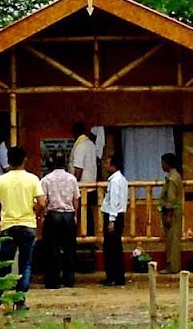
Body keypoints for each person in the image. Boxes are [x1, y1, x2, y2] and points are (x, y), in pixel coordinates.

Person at [0, 147, 46, 310]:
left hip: (8, 225)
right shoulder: (32, 179)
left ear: (8, 160)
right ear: (24, 160)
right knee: (25, 263)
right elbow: (42, 202)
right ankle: (20, 300)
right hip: (27, 224)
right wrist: (35, 212)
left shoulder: (1, 180)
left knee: (4, 263)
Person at [40, 150, 79, 289]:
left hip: (53, 214)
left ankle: (52, 280)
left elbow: (44, 201)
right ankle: (69, 280)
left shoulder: (46, 179)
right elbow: (76, 199)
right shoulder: (72, 179)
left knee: (52, 249)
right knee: (69, 249)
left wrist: (43, 216)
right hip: (68, 214)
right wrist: (75, 215)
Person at [101, 155, 127, 286]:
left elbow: (114, 201)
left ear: (113, 166)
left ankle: (112, 276)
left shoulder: (115, 181)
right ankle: (118, 276)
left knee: (111, 248)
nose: (106, 166)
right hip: (119, 215)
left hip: (114, 215)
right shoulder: (122, 179)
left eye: (107, 163)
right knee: (115, 247)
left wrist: (111, 219)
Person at [69, 122, 97, 236]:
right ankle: (89, 237)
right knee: (87, 214)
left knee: (78, 213)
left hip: (81, 187)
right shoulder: (90, 144)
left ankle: (83, 239)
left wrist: (72, 186)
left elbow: (78, 169)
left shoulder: (80, 146)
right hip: (91, 185)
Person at [160, 153, 182, 274]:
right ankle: (173, 265)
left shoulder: (172, 179)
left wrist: (168, 215)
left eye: (162, 162)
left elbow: (171, 200)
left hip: (172, 214)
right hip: (175, 213)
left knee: (172, 240)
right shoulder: (175, 176)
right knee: (173, 239)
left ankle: (172, 266)